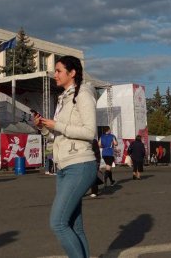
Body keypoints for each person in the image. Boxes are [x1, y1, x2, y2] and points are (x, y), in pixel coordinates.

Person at [33, 55, 97, 258]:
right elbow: (57, 134)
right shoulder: (64, 98)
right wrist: (44, 128)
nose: (55, 74)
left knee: (58, 223)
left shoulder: (83, 95)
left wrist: (57, 125)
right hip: (63, 166)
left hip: (80, 164)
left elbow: (89, 132)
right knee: (74, 225)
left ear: (72, 73)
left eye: (59, 71)